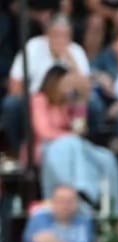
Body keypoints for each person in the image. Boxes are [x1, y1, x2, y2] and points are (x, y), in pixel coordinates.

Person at [33, 66, 118, 212]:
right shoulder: (40, 100)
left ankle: (114, 209)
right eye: (66, 83)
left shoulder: (69, 101)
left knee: (107, 158)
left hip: (75, 147)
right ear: (55, 82)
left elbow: (79, 130)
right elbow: (44, 131)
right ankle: (83, 191)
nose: (69, 88)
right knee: (72, 144)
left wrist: (80, 103)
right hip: (50, 147)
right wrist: (70, 137)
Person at [4, 16, 98, 157]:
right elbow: (45, 132)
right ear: (47, 34)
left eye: (65, 36)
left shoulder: (76, 52)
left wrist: (71, 62)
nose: (60, 40)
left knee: (94, 105)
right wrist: (71, 138)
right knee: (11, 104)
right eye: (56, 35)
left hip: (67, 112)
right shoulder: (33, 47)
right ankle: (18, 153)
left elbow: (85, 95)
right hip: (36, 104)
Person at [23, 184, 96, 242]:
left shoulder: (85, 222)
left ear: (78, 203)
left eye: (70, 201)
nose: (66, 205)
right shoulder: (40, 220)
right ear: (52, 202)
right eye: (61, 200)